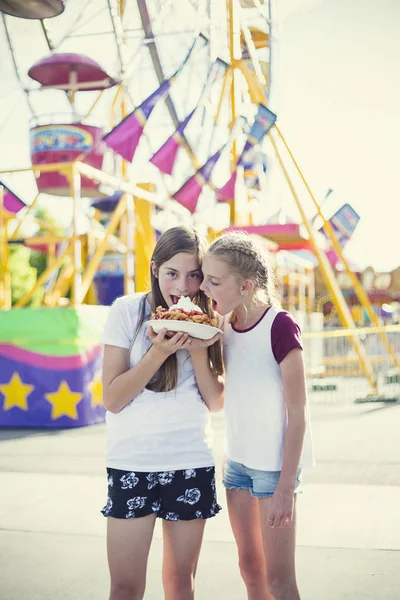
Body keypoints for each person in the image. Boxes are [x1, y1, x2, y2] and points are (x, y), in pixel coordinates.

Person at [100, 226, 224, 600]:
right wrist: (159, 352)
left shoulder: (210, 321)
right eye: (172, 273)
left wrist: (200, 350)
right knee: (124, 587)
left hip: (189, 459)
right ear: (155, 269)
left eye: (193, 276)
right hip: (132, 462)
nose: (183, 287)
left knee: (180, 582)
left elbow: (216, 402)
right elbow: (112, 399)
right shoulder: (128, 311)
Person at [200, 231, 314, 600]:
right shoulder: (222, 326)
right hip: (237, 464)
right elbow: (218, 396)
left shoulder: (280, 326)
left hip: (273, 470)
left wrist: (285, 488)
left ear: (246, 286)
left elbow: (298, 413)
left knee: (279, 582)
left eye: (214, 281)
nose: (203, 287)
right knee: (250, 568)